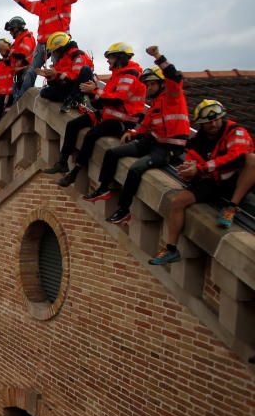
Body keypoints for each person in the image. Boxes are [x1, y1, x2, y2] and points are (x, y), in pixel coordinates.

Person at [84, 46, 191, 220]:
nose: (148, 87)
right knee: (112, 152)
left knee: (135, 169)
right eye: (147, 84)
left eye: (152, 84)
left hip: (168, 148)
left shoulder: (173, 95)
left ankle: (124, 209)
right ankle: (103, 188)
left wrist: (157, 56)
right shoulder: (156, 104)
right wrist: (133, 132)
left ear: (162, 83)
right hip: (152, 142)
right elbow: (146, 125)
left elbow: (174, 76)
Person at [150, 101, 255, 265]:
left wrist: (201, 168)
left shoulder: (236, 132)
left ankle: (231, 207)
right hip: (214, 179)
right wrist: (188, 170)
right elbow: (192, 159)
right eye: (208, 122)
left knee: (252, 160)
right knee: (178, 202)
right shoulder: (200, 139)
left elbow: (236, 157)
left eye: (216, 120)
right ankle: (170, 249)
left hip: (236, 180)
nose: (213, 124)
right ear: (202, 124)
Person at [46, 42, 145, 188]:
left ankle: (76, 172)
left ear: (120, 57)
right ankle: (62, 162)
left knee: (91, 135)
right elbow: (101, 102)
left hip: (123, 120)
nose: (107, 60)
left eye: (110, 57)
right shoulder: (117, 74)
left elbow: (118, 99)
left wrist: (95, 91)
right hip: (107, 115)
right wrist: (91, 93)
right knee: (73, 124)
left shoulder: (130, 75)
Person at [9, 0, 83, 99]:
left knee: (57, 70)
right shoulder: (42, 4)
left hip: (59, 45)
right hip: (43, 44)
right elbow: (28, 5)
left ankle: (59, 95)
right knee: (31, 71)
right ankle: (20, 100)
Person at [37, 32, 94, 110]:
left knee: (85, 69)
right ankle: (69, 98)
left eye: (55, 51)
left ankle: (76, 99)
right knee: (44, 92)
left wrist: (56, 74)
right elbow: (56, 81)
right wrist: (49, 76)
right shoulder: (61, 60)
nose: (53, 54)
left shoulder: (77, 55)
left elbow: (75, 76)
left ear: (61, 48)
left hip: (78, 86)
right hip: (68, 88)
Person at [5, 16, 36, 103]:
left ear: (16, 29)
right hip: (20, 73)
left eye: (11, 30)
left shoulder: (26, 38)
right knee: (19, 99)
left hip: (26, 72)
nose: (10, 33)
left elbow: (22, 55)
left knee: (23, 99)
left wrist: (9, 51)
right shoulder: (18, 41)